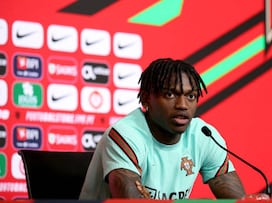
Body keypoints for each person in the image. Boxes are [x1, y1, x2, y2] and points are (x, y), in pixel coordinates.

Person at [79, 58, 247, 200]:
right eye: (170, 95)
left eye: (191, 96)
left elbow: (235, 197)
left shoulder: (204, 135)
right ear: (146, 99)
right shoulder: (125, 135)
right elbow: (131, 202)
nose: (182, 105)